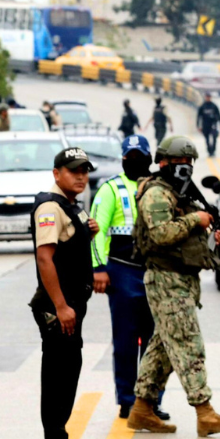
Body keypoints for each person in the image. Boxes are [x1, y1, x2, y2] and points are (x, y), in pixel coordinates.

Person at [128, 135, 220, 437]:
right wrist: (195, 220)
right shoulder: (156, 194)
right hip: (166, 280)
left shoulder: (181, 195)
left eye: (188, 162)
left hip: (183, 279)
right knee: (188, 344)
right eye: (177, 162)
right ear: (162, 163)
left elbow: (186, 240)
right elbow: (162, 235)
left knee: (163, 347)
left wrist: (209, 238)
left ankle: (141, 409)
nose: (183, 168)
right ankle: (205, 412)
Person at [31, 147, 101, 439]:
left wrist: (88, 231)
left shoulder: (69, 206)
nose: (81, 176)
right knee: (59, 378)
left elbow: (67, 244)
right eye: (74, 170)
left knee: (67, 374)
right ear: (57, 173)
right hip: (59, 308)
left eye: (85, 170)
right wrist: (61, 306)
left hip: (70, 307)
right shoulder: (50, 206)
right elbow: (45, 257)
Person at [89, 135, 167, 421]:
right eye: (129, 156)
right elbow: (96, 232)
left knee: (156, 342)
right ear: (123, 159)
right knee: (125, 342)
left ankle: (152, 401)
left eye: (139, 155)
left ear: (149, 158)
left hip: (156, 271)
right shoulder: (110, 189)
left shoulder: (159, 188)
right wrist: (99, 268)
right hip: (122, 271)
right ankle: (127, 401)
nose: (134, 160)